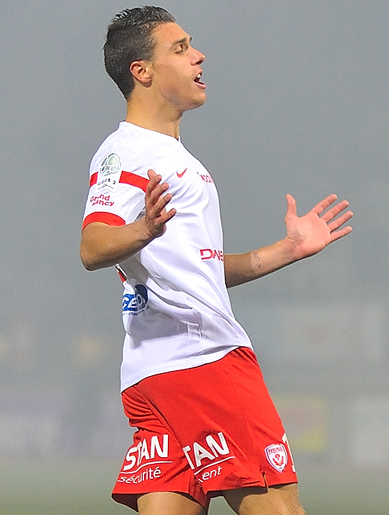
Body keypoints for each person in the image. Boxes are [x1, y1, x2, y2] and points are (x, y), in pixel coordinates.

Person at [79, 6, 352, 515]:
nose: (199, 56)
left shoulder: (172, 156)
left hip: (151, 374)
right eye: (180, 49)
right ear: (142, 71)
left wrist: (287, 250)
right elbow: (93, 246)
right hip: (204, 361)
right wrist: (143, 229)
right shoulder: (131, 151)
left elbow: (196, 270)